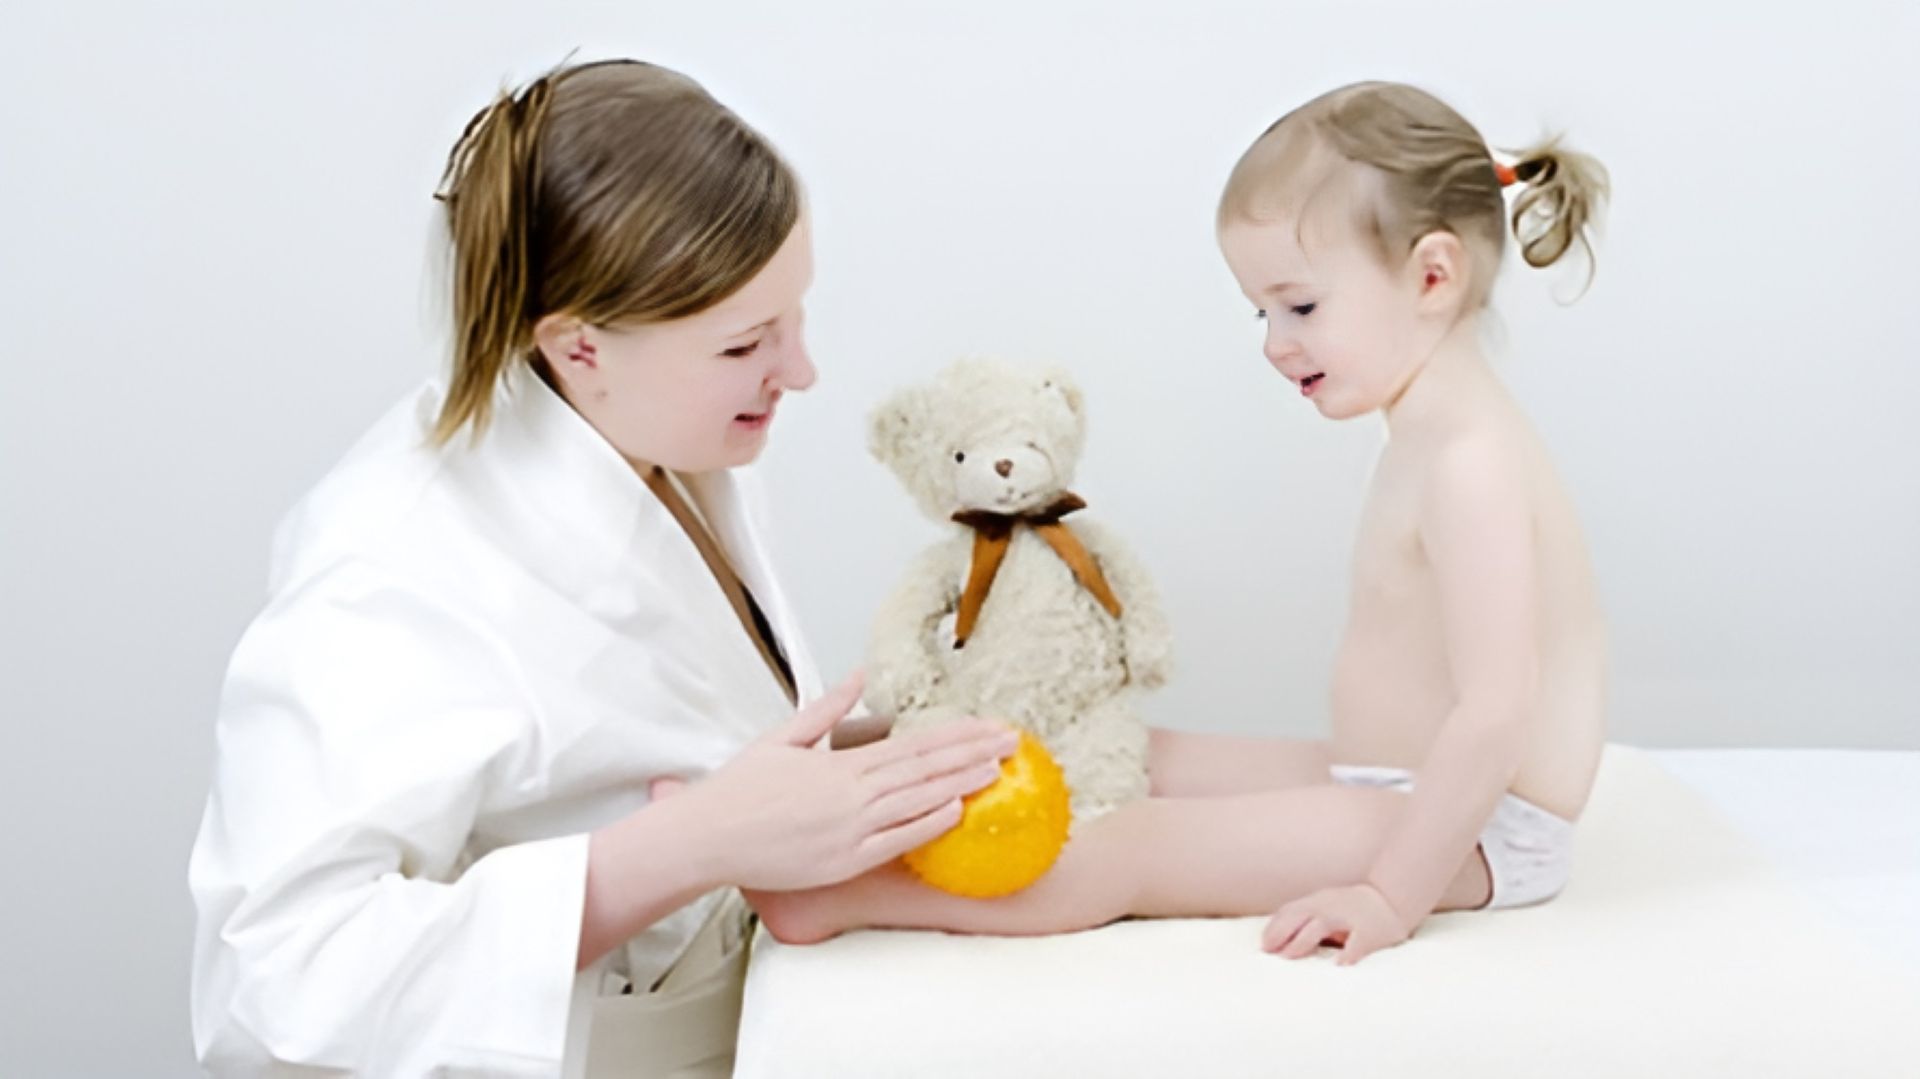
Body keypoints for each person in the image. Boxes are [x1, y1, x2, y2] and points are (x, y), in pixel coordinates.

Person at [187, 58, 1020, 1077]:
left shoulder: (658, 441)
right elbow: (275, 980)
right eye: (748, 342)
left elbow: (654, 734)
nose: (800, 371)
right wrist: (687, 849)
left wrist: (892, 747)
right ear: (578, 346)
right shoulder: (390, 572)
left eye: (793, 319)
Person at [748, 80, 1611, 968]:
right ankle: (877, 765)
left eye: (1302, 307)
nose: (1276, 343)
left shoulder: (1472, 461)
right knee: (1125, 751)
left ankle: (839, 896)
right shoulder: (1433, 422)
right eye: (1264, 313)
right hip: (1396, 776)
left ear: (1433, 276)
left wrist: (1391, 892)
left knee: (1135, 843)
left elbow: (1499, 710)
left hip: (1480, 823)